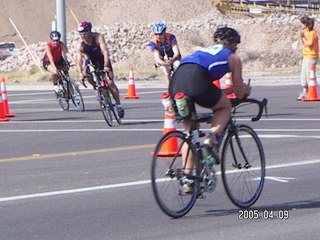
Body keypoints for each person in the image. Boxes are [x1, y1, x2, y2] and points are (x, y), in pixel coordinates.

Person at [169, 27, 251, 193]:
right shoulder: (233, 57)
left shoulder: (204, 51)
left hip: (177, 81)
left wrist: (227, 92)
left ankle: (188, 180)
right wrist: (245, 90)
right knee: (225, 106)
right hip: (197, 80)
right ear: (234, 44)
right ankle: (211, 138)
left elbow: (210, 90)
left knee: (190, 133)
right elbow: (239, 91)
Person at [75, 21, 124, 118]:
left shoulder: (98, 37)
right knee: (86, 73)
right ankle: (96, 87)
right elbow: (79, 61)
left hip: (102, 60)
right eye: (80, 34)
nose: (82, 36)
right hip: (92, 61)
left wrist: (106, 65)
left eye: (84, 33)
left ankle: (118, 105)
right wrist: (80, 74)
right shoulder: (80, 45)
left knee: (110, 83)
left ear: (89, 31)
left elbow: (105, 52)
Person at [297, 15, 319, 101]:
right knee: (304, 74)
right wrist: (301, 38)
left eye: (302, 24)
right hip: (306, 56)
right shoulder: (306, 33)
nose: (301, 26)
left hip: (311, 56)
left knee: (309, 74)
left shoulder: (312, 33)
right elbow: (304, 44)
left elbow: (309, 44)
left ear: (306, 24)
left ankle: (309, 92)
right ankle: (305, 91)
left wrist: (303, 38)